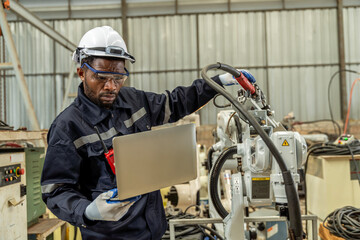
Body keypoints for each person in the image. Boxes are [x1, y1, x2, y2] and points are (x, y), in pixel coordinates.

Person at [41, 26, 254, 240]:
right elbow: (55, 190)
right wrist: (87, 211)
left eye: (118, 77)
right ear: (81, 72)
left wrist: (217, 83)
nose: (111, 86)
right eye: (101, 77)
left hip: (152, 231)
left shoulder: (133, 101)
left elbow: (175, 102)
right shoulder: (67, 127)